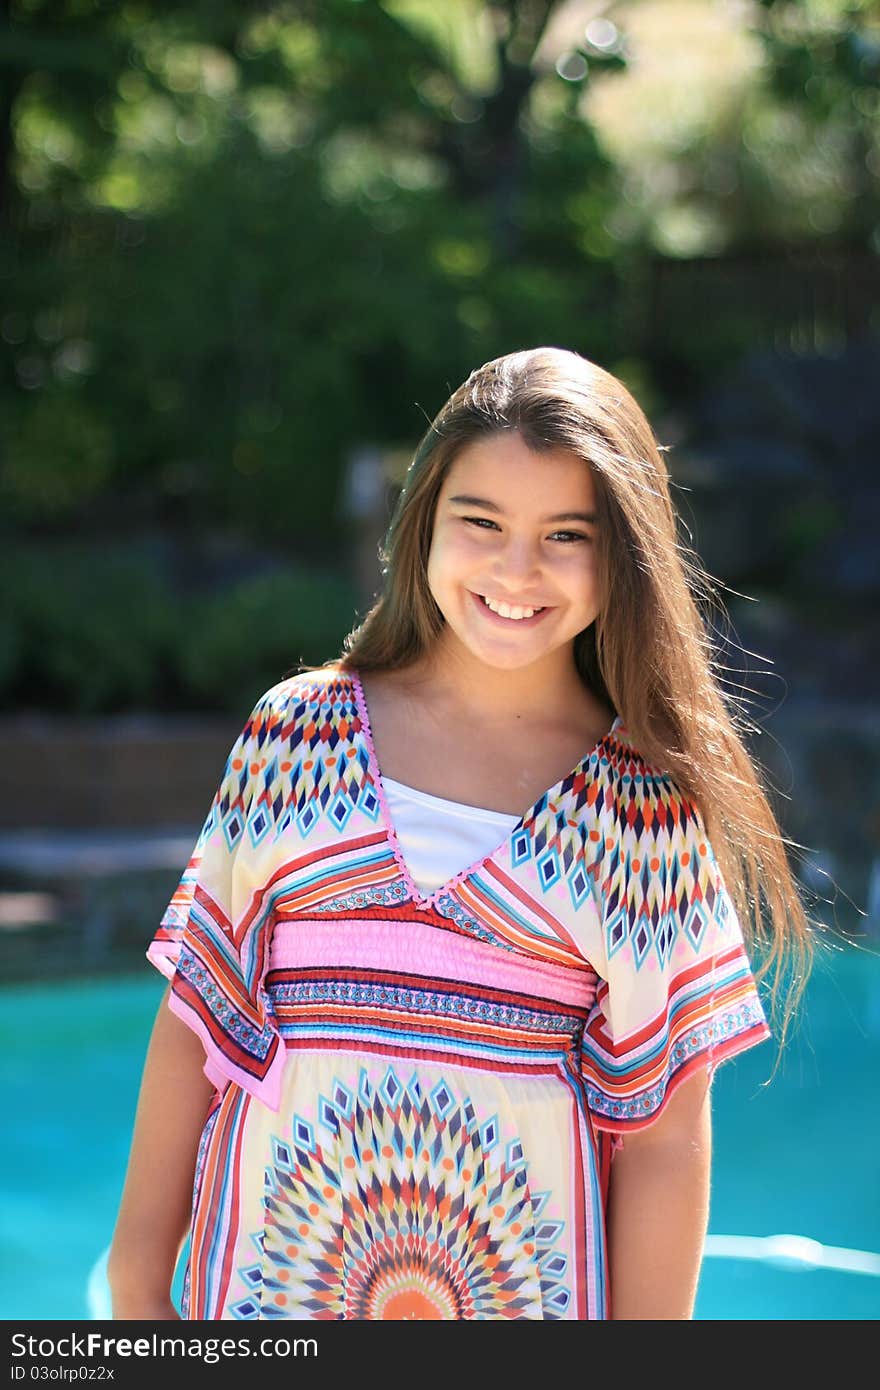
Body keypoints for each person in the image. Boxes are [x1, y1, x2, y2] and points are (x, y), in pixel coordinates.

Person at [108, 346, 813, 1321]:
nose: (516, 569)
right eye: (479, 521)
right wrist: (139, 1285)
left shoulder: (641, 809)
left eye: (567, 534)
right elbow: (199, 1019)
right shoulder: (295, 735)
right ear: (422, 522)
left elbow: (663, 1134)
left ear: (624, 556)